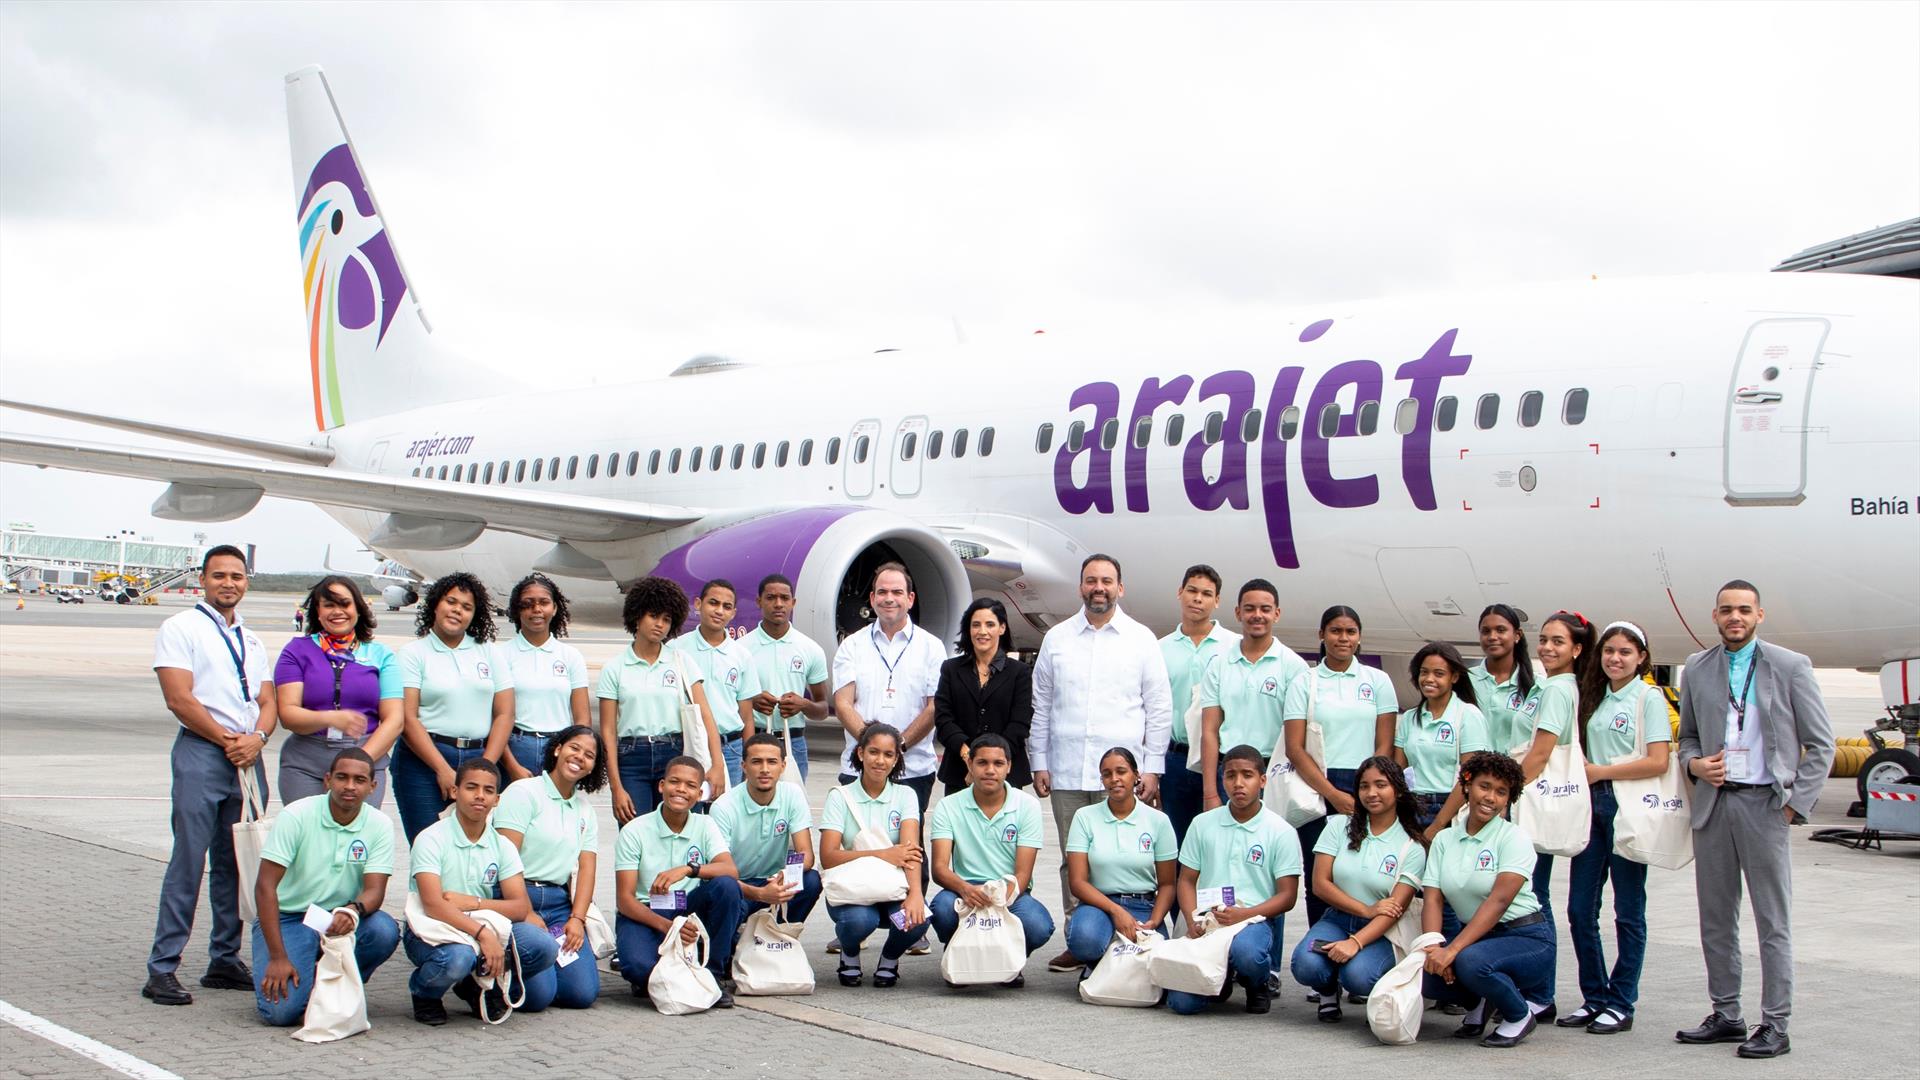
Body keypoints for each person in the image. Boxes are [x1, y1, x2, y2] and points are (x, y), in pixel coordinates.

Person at [1674, 581, 1833, 1059]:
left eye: (1744, 610)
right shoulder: (1697, 669)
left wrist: (1794, 805)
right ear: (1715, 616)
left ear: (1759, 615)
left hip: (1765, 804)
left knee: (1772, 920)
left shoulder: (1789, 666)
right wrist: (1694, 765)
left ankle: (1775, 1024)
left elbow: (1821, 745)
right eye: (1726, 611)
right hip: (1715, 804)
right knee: (1716, 918)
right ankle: (1726, 1014)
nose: (1734, 618)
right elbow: (1689, 738)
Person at [144, 544, 277, 1007]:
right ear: (202, 579)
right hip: (205, 752)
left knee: (237, 859)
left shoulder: (252, 639)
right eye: (219, 575)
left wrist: (258, 738)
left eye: (237, 576)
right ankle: (162, 968)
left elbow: (267, 701)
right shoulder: (180, 628)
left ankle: (224, 957)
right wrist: (229, 740)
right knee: (189, 860)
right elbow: (179, 698)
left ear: (246, 582)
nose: (228, 584)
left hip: (246, 756)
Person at [1029, 553, 1173, 972]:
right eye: (1091, 580)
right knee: (1074, 859)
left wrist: (1152, 768)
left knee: (1127, 854)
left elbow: (1158, 707)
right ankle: (1080, 937)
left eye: (1107, 581)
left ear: (1120, 588)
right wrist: (1039, 760)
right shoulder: (1057, 638)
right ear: (1080, 587)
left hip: (1124, 776)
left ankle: (1134, 929)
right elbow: (1042, 705)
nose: (1099, 588)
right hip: (1070, 768)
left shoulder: (1141, 638)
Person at [1554, 620, 1669, 1035]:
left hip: (1625, 808)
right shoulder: (1596, 696)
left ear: (1641, 657)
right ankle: (1594, 996)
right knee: (1580, 910)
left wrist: (1601, 771)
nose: (1615, 659)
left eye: (1624, 652)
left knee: (1628, 912)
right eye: (1609, 651)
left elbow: (1658, 760)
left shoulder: (1648, 697)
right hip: (1591, 809)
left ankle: (1622, 1000)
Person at [250, 749, 400, 1026]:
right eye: (342, 777)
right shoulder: (296, 815)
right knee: (281, 1014)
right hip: (290, 917)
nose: (350, 786)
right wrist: (278, 956)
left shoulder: (379, 824)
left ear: (372, 786)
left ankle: (334, 987)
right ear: (327, 780)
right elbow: (265, 887)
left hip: (339, 917)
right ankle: (305, 976)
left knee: (384, 930)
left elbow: (375, 891)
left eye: (359, 780)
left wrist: (352, 911)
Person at [402, 757, 558, 1024]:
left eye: (488, 790)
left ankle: (474, 984)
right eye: (471, 787)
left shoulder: (502, 845)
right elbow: (433, 905)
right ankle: (424, 993)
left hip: (478, 921)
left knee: (543, 946)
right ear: (455, 791)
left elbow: (520, 907)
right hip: (430, 928)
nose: (480, 796)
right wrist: (483, 935)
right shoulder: (430, 838)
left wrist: (474, 904)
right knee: (458, 958)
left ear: (497, 800)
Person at [1419, 751, 1556, 1048]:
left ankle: (1519, 1015)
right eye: (1484, 786)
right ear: (1467, 786)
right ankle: (1480, 1003)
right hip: (1478, 939)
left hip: (1526, 937)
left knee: (1470, 962)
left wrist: (1452, 950)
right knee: (1427, 975)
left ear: (1509, 798)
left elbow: (1498, 902)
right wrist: (1433, 949)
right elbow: (1432, 900)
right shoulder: (1444, 840)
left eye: (1501, 792)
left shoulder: (1513, 838)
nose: (1490, 797)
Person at [1282, 606, 1397, 929]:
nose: (1342, 638)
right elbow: (1295, 747)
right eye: (1335, 631)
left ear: (1359, 637)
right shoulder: (1306, 681)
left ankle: (1363, 944)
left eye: (1350, 632)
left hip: (1368, 784)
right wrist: (1332, 793)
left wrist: (1369, 790)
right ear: (1322, 635)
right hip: (1318, 785)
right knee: (1320, 875)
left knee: (1365, 870)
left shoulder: (1377, 681)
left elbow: (1385, 745)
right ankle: (1322, 951)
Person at [1289, 755, 1427, 1023]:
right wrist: (1364, 908)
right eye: (1364, 786)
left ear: (1397, 790)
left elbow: (1394, 910)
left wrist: (1356, 942)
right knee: (1305, 965)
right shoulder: (1339, 826)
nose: (1371, 793)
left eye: (1381, 785)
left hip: (1384, 930)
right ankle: (1328, 991)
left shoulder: (1412, 846)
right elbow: (1320, 884)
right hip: (1338, 920)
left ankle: (1378, 987)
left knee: (1358, 977)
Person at [1167, 744, 1302, 1015]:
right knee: (1181, 1004)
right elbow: (1186, 880)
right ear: (1222, 779)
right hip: (1208, 918)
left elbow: (1288, 896)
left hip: (1252, 919)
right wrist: (1192, 919)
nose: (1238, 783)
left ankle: (1257, 982)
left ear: (1262, 781)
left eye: (1247, 775)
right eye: (1230, 775)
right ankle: (1221, 980)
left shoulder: (1280, 831)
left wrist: (1246, 914)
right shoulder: (1202, 824)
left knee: (1248, 954)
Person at [1511, 609, 1597, 1016]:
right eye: (1543, 639)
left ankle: (1541, 994)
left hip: (1532, 796)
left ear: (1577, 649)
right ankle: (1538, 990)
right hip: (1530, 793)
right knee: (1533, 895)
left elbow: (1542, 752)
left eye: (1558, 641)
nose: (1547, 647)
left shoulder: (1559, 689)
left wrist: (1507, 794)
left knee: (1535, 898)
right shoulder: (1548, 685)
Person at [612, 755, 744, 1006]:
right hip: (647, 912)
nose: (681, 790)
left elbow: (730, 870)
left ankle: (712, 977)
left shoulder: (705, 824)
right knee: (637, 968)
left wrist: (688, 869)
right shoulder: (634, 830)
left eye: (691, 785)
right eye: (674, 782)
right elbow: (625, 900)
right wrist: (668, 928)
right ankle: (664, 972)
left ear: (700, 792)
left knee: (726, 886)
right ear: (661, 786)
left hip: (689, 909)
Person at [393, 573, 514, 844]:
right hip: (424, 761)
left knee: (474, 846)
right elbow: (408, 718)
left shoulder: (489, 652)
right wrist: (442, 770)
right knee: (428, 846)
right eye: (451, 601)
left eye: (467, 607)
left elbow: (505, 714)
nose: (457, 610)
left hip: (479, 755)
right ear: (435, 604)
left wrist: (486, 767)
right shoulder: (413, 654)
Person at [494, 724, 607, 1012]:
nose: (580, 757)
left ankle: (539, 971)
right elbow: (506, 859)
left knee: (582, 994)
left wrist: (578, 919)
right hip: (519, 897)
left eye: (589, 755)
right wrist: (526, 912)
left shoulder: (584, 810)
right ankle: (490, 977)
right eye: (574, 748)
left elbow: (587, 870)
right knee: (537, 999)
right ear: (557, 749)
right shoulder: (523, 792)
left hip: (558, 904)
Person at [927, 734, 1055, 985]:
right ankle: (959, 955)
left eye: (998, 763)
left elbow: (1023, 874)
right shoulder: (949, 806)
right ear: (970, 765)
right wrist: (966, 888)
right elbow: (939, 869)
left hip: (1009, 890)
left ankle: (1008, 960)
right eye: (982, 763)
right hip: (964, 887)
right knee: (941, 909)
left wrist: (998, 897)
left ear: (1009, 767)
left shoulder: (1026, 805)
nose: (990, 770)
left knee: (1038, 925)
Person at [599, 577, 726, 825]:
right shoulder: (614, 668)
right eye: (654, 616)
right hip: (631, 759)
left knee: (674, 831)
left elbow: (706, 716)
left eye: (667, 619)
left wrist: (717, 765)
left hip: (674, 755)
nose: (660, 625)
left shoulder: (681, 661)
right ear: (637, 616)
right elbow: (608, 731)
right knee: (633, 832)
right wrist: (616, 787)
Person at [273, 575, 403, 807]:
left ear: (358, 609)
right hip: (306, 765)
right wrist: (331, 718)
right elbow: (288, 714)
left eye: (344, 604)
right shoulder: (296, 651)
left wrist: (358, 763)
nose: (337, 611)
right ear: (318, 612)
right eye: (329, 605)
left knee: (355, 840)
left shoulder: (381, 655)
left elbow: (395, 719)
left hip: (365, 758)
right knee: (307, 839)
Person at [831, 562, 946, 813]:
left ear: (910, 598)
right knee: (859, 847)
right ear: (872, 598)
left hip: (913, 769)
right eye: (882, 592)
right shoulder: (851, 646)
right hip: (858, 769)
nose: (889, 599)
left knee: (908, 848)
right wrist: (874, 751)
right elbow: (842, 704)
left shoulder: (932, 647)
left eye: (897, 592)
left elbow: (934, 707)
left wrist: (899, 747)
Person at [819, 723, 929, 987]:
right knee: (859, 920)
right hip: (853, 889)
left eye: (888, 754)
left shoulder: (905, 795)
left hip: (892, 887)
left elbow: (910, 852)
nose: (880, 760)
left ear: (896, 759)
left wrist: (916, 894)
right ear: (860, 754)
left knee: (917, 919)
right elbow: (828, 857)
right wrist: (883, 853)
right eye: (873, 752)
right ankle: (850, 953)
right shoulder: (840, 796)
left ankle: (890, 959)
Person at [1063, 748, 1177, 976]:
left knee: (1157, 962)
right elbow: (1077, 882)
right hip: (1099, 904)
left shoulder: (1158, 821)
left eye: (1121, 771)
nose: (1114, 779)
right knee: (1084, 941)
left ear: (1136, 775)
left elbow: (1167, 884)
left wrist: (1155, 920)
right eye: (1107, 774)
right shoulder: (1085, 817)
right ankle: (1099, 965)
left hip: (1144, 905)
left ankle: (1112, 965)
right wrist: (1117, 911)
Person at [1198, 578, 1308, 807]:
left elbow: (1299, 735)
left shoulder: (1294, 666)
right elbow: (1209, 731)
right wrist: (1210, 793)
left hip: (1276, 772)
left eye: (1265, 609)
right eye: (1249, 609)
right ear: (1238, 613)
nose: (1257, 615)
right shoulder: (1219, 664)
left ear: (1276, 614)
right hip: (1229, 772)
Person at [709, 733, 822, 934]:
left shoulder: (792, 794)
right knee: (725, 893)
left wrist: (784, 875)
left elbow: (806, 854)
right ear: (743, 766)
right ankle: (730, 947)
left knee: (811, 880)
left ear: (783, 766)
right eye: (756, 762)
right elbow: (719, 871)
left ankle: (778, 937)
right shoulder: (723, 807)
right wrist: (760, 894)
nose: (764, 769)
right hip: (738, 887)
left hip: (775, 879)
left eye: (772, 762)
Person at [1157, 564, 1238, 843]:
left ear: (1217, 601)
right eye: (1191, 590)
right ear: (1180, 593)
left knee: (1220, 843)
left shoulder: (1234, 647)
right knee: (1176, 845)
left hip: (1219, 760)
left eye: (1206, 593)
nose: (1197, 598)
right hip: (1175, 760)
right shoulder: (1160, 649)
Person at [935, 597, 1033, 795]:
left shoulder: (1019, 672)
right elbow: (944, 718)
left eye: (990, 624)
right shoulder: (951, 669)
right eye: (976, 625)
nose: (982, 631)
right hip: (959, 771)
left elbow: (1020, 722)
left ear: (1002, 628)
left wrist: (992, 762)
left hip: (1007, 772)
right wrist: (969, 758)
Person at [672, 579, 764, 788]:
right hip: (688, 745)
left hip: (730, 747)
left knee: (723, 814)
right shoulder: (676, 649)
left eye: (726, 606)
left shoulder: (741, 655)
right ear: (698, 604)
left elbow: (746, 715)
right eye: (713, 603)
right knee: (688, 813)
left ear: (733, 613)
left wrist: (748, 756)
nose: (719, 611)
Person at [1394, 641, 1492, 834]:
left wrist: (1438, 824)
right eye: (1424, 672)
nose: (1429, 679)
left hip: (1451, 808)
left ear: (1454, 677)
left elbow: (1470, 777)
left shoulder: (1467, 715)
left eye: (1439, 673)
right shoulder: (1409, 718)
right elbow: (1398, 772)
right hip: (1413, 807)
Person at [500, 574, 590, 784]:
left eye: (544, 603)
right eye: (528, 604)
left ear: (555, 608)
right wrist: (512, 766)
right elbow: (495, 719)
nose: (537, 609)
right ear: (517, 609)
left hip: (559, 749)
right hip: (517, 746)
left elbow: (582, 719)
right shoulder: (502, 655)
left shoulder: (570, 656)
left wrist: (571, 757)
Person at [743, 574, 831, 779]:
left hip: (793, 742)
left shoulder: (811, 649)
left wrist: (804, 705)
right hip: (753, 739)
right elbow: (729, 704)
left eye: (784, 598)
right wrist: (751, 700)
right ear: (759, 602)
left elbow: (823, 709)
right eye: (771, 598)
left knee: (792, 807)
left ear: (793, 603)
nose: (778, 604)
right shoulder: (741, 649)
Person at [1470, 604, 1537, 757]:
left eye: (1501, 630)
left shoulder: (1536, 685)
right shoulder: (1464, 680)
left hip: (1516, 775)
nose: (1492, 637)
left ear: (1517, 635)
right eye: (1485, 631)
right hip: (1472, 776)